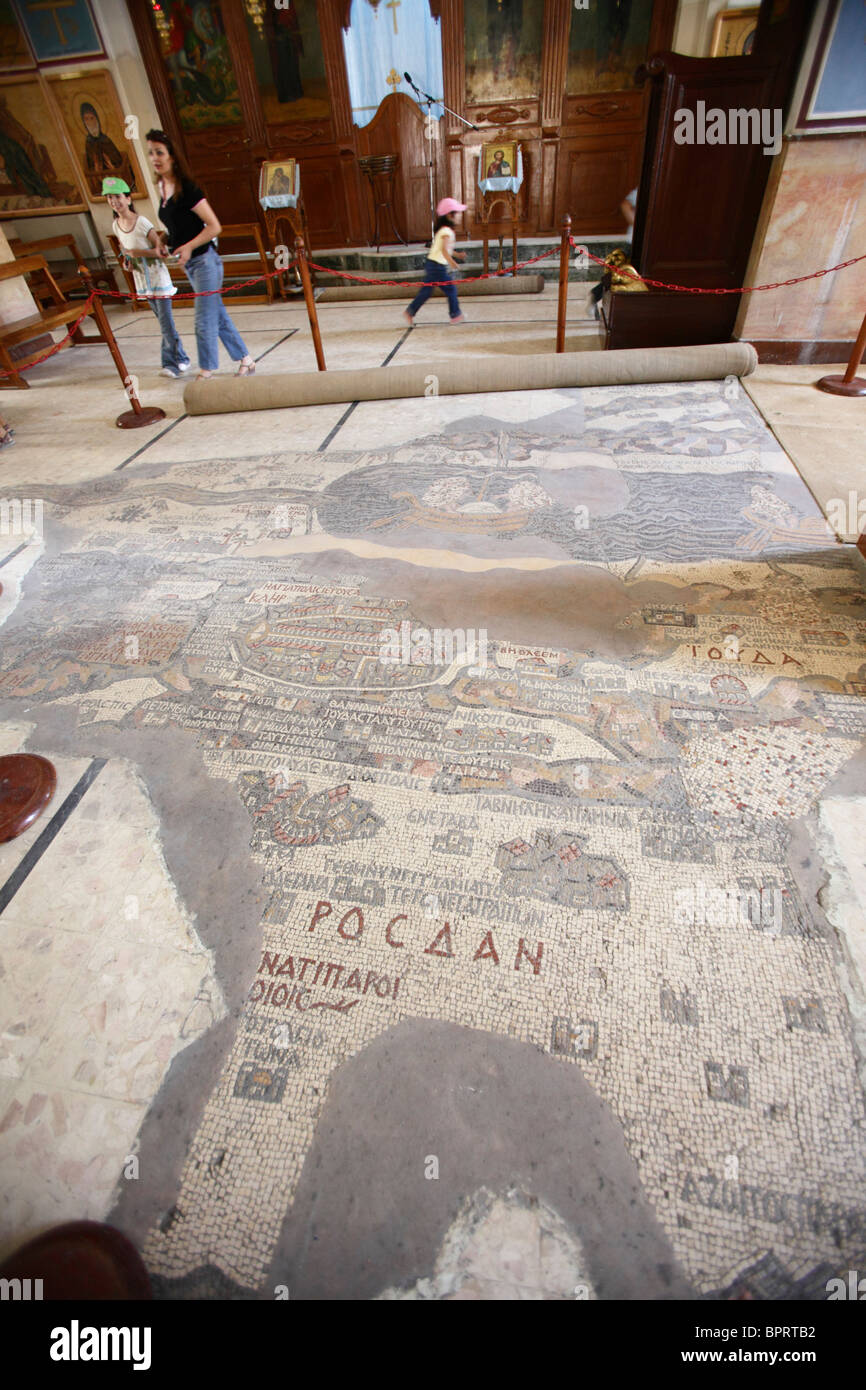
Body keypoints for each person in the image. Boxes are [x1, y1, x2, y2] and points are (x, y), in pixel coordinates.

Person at [145, 128, 255, 379]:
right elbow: (177, 227)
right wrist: (163, 239)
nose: (155, 158)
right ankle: (246, 360)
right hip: (190, 264)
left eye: (160, 152)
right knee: (217, 314)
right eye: (151, 153)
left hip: (206, 261)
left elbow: (215, 226)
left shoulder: (189, 188)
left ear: (172, 156)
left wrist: (188, 246)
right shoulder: (162, 186)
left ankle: (207, 371)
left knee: (204, 319)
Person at [104, 175, 190, 379]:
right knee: (163, 323)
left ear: (128, 198)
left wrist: (138, 254)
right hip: (142, 280)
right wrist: (126, 259)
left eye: (117, 196)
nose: (114, 201)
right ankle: (182, 358)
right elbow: (125, 250)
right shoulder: (116, 225)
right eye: (109, 198)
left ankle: (170, 364)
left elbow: (162, 251)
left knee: (165, 324)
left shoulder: (142, 222)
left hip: (158, 278)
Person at [404, 198, 467, 326]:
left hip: (432, 265)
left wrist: (457, 255)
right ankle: (455, 314)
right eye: (458, 213)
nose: (460, 216)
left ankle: (410, 312)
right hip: (437, 267)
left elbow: (446, 249)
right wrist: (452, 262)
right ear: (450, 215)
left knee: (426, 292)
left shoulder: (444, 230)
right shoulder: (446, 232)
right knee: (451, 289)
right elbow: (444, 250)